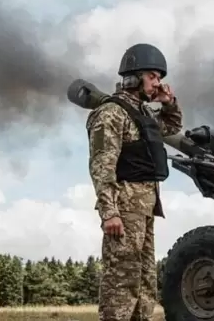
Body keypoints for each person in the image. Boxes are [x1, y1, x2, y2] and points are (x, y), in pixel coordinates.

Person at [85, 43, 183, 321]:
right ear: (134, 77)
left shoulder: (143, 115)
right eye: (153, 76)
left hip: (145, 209)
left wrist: (169, 102)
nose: (158, 83)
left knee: (144, 282)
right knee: (122, 282)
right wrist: (109, 212)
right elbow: (102, 165)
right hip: (124, 209)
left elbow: (172, 126)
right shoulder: (111, 113)